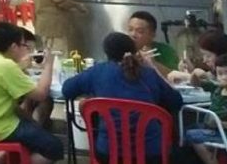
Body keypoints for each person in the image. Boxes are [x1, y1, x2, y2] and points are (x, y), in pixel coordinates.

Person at [62, 32, 184, 163]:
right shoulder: (148, 74)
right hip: (151, 154)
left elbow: (67, 90)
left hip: (107, 153)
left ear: (106, 52)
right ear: (134, 51)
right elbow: (176, 102)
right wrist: (152, 67)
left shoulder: (97, 72)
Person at [0, 22, 62, 164]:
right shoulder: (6, 66)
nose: (27, 49)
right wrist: (49, 64)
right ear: (13, 47)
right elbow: (41, 93)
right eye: (24, 45)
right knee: (55, 148)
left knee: (35, 126)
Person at [185, 54, 227, 164]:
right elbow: (195, 83)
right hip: (213, 128)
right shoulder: (218, 88)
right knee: (190, 126)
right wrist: (194, 73)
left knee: (192, 134)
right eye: (220, 74)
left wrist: (221, 124)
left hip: (223, 132)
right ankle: (212, 154)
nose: (224, 77)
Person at [126, 10, 178, 78]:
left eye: (140, 31)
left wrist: (153, 63)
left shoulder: (165, 51)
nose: (133, 34)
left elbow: (177, 78)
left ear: (152, 35)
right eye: (130, 29)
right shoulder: (123, 49)